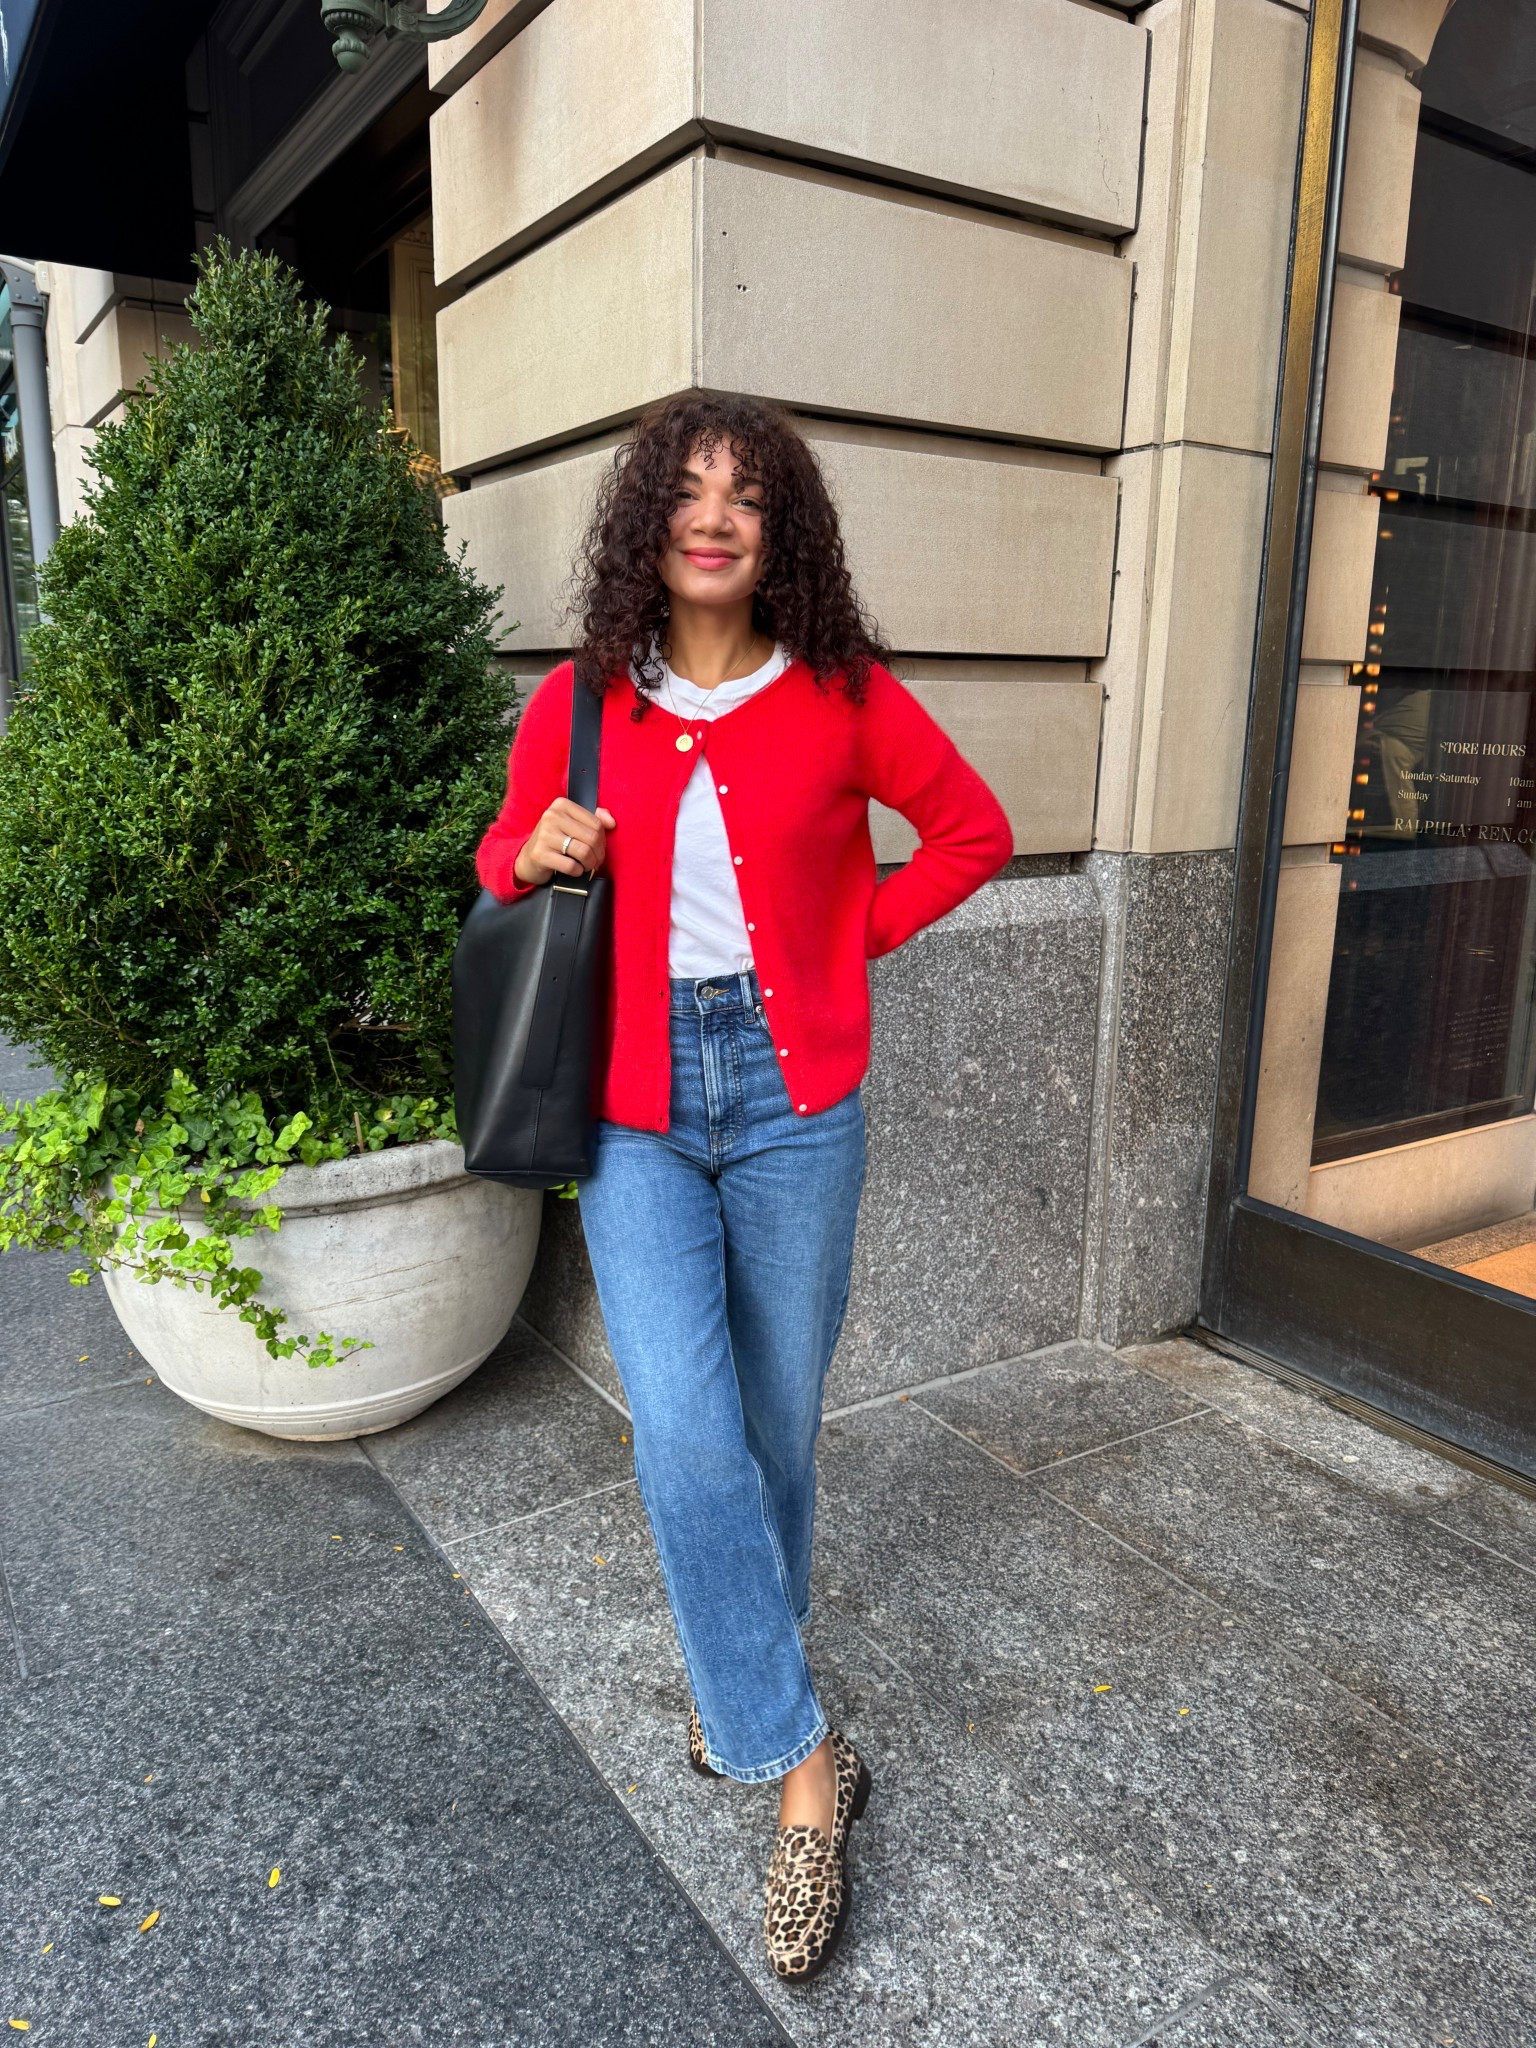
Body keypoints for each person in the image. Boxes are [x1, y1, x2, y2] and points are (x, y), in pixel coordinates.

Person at [476, 394, 1011, 1982]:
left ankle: (757, 1686)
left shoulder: (843, 697)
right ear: (649, 523)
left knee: (777, 1427)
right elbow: (498, 856)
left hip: (797, 1107)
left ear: (784, 535)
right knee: (687, 1431)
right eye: (687, 492)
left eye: (748, 497)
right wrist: (540, 853)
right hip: (637, 1110)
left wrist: (859, 939)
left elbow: (973, 833)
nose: (715, 517)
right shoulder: (577, 706)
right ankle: (797, 1767)